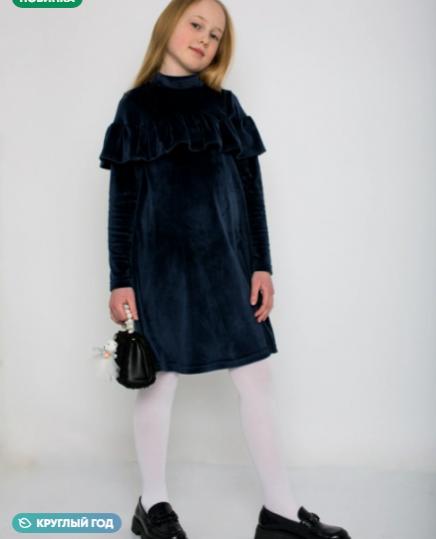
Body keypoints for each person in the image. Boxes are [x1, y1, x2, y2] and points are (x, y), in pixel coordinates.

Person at [99, 1, 352, 538]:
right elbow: (123, 202)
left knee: (256, 377)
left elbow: (251, 192)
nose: (204, 38)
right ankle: (153, 504)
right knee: (159, 380)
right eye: (196, 24)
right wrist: (120, 277)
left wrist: (262, 266)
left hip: (227, 268)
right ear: (169, 24)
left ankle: (280, 510)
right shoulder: (135, 108)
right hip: (160, 270)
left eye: (215, 35)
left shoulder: (225, 106)